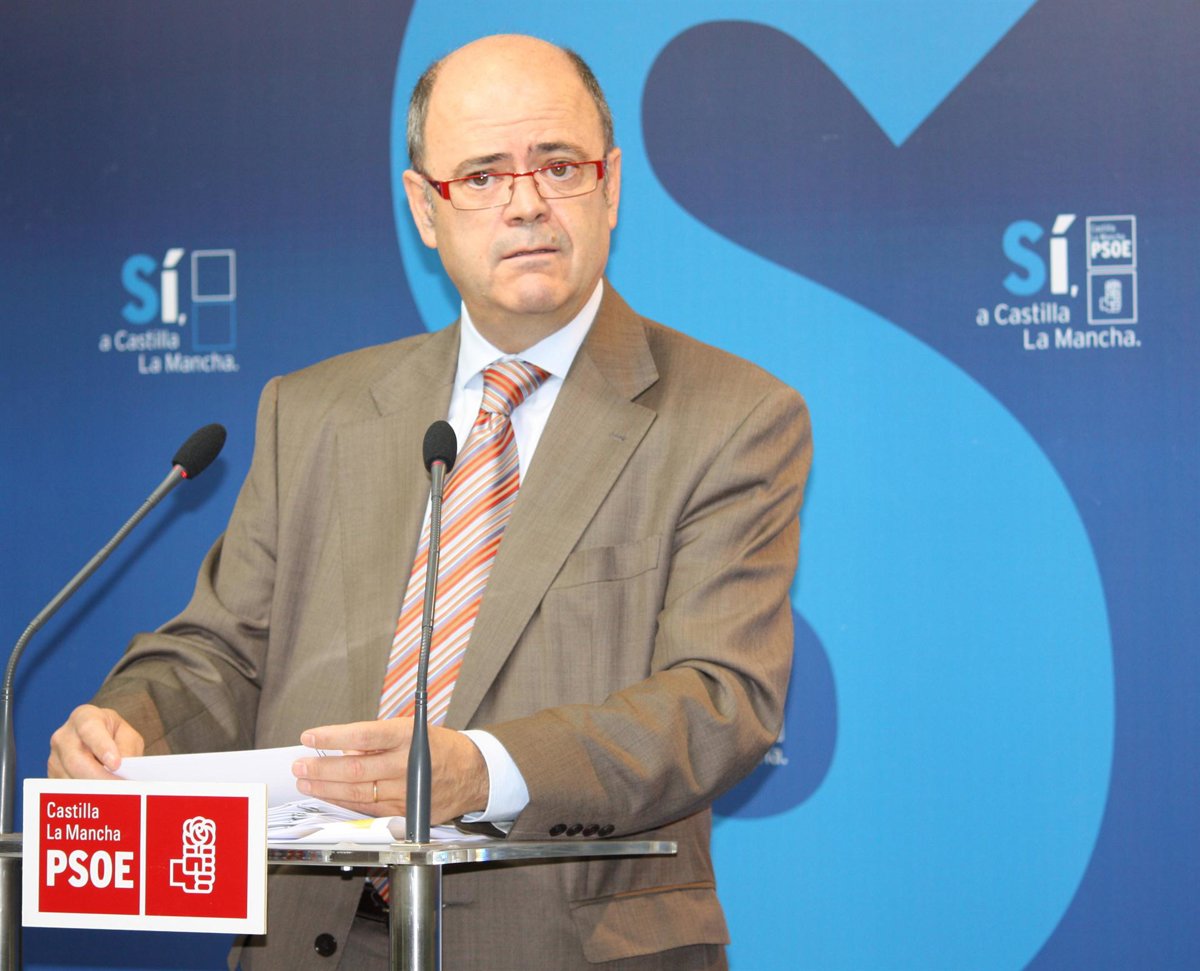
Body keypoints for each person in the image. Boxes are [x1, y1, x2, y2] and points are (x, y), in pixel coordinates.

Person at [48, 34, 811, 971]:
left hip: (564, 945)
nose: (526, 203)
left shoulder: (732, 416)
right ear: (425, 207)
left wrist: (481, 769)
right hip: (309, 943)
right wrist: (132, 729)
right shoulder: (313, 412)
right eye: (482, 176)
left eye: (558, 166)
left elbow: (720, 698)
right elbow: (221, 654)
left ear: (610, 185)